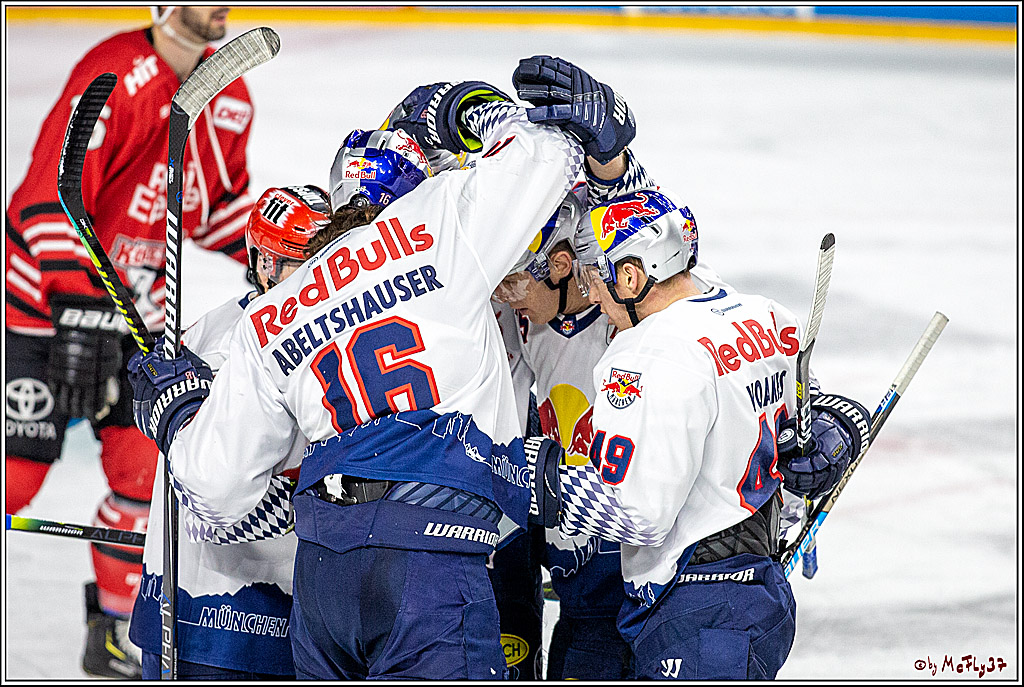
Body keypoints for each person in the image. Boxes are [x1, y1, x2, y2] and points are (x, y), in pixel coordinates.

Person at [126, 77, 600, 677]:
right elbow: (546, 157)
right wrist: (473, 111)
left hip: (324, 579)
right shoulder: (437, 230)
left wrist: (181, 416)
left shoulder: (273, 311)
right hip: (432, 553)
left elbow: (214, 492)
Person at [513, 62, 872, 675]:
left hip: (674, 576)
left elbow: (640, 506)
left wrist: (519, 473)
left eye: (530, 271)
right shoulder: (750, 312)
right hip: (629, 589)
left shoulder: (645, 341)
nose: (512, 289)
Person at [4, 6, 254, 678]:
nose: (222, 6)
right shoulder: (112, 73)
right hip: (43, 304)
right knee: (15, 476)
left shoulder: (226, 92)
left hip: (136, 312)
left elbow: (213, 209)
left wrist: (274, 251)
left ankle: (112, 628)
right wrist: (78, 310)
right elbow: (43, 201)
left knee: (146, 473)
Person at [129, 184, 331, 680]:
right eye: (300, 262)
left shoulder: (316, 327)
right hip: (226, 623)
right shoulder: (224, 340)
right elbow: (212, 485)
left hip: (253, 618)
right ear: (263, 263)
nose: (318, 276)